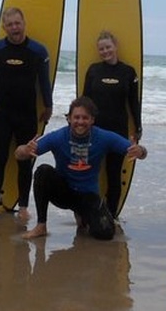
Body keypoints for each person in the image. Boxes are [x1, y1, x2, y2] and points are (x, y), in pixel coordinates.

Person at [17, 96, 148, 240]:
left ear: (92, 120)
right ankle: (41, 226)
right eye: (76, 117)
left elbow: (139, 152)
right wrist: (24, 149)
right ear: (69, 119)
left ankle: (85, 215)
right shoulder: (58, 136)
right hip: (64, 192)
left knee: (105, 234)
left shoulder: (103, 137)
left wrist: (140, 150)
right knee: (43, 171)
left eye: (85, 118)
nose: (80, 122)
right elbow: (19, 155)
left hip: (88, 195)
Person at [0, 7, 53, 222]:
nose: (14, 28)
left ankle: (24, 207)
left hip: (27, 115)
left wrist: (48, 106)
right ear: (4, 27)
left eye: (17, 23)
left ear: (24, 23)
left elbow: (44, 82)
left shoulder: (38, 51)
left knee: (25, 161)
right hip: (1, 114)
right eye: (10, 24)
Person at [82, 30, 142, 217]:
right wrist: (77, 122)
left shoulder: (128, 72)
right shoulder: (93, 70)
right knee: (89, 171)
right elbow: (84, 100)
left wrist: (138, 127)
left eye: (108, 47)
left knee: (114, 173)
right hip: (95, 130)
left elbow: (134, 102)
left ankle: (111, 215)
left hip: (118, 130)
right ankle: (89, 212)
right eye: (101, 49)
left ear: (115, 46)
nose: (105, 51)